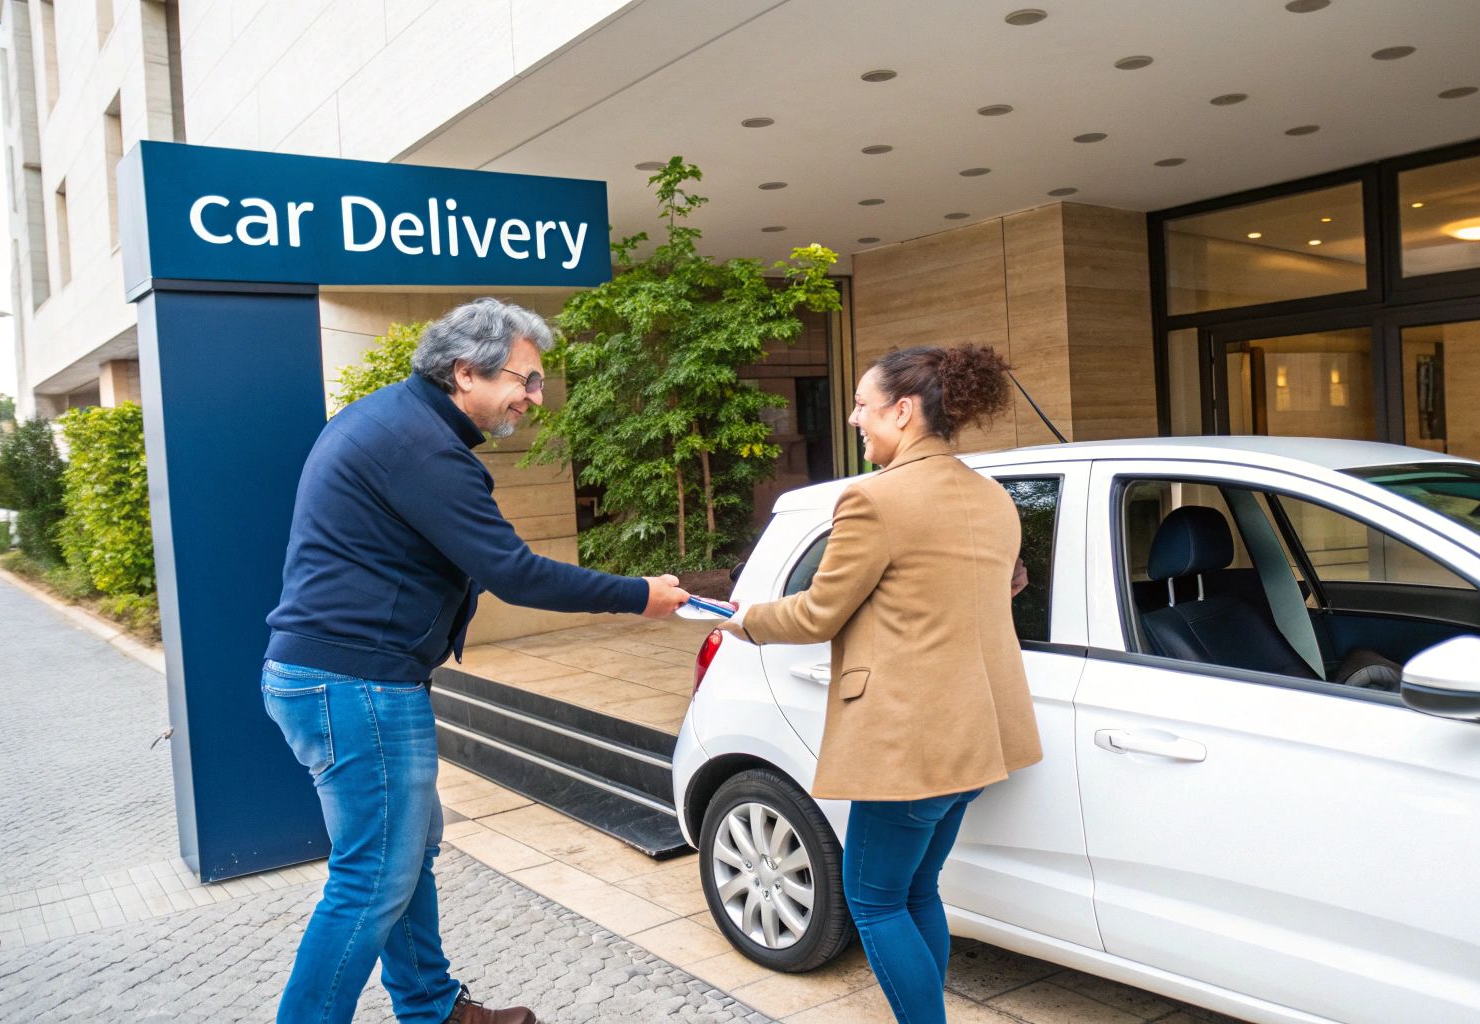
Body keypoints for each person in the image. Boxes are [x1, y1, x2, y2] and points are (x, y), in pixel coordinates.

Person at [261, 298, 688, 1024]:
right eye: (525, 379)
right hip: (356, 686)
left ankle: (432, 1008)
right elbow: (515, 572)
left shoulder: (397, 421)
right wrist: (639, 594)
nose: (534, 396)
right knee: (371, 882)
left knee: (404, 855)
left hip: (344, 679)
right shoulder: (421, 447)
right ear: (465, 371)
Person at [720, 344, 1043, 1024]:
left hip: (911, 745)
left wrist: (741, 620)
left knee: (873, 901)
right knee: (916, 890)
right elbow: (987, 591)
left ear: (903, 410)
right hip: (978, 737)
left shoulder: (873, 498)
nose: (853, 418)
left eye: (863, 406)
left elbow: (817, 612)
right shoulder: (993, 498)